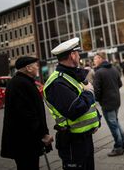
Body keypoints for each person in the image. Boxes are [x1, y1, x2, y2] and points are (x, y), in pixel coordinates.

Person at [43, 37, 101, 170]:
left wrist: (97, 120)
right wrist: (89, 92)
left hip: (85, 137)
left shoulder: (71, 76)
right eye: (77, 53)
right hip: (72, 142)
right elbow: (74, 110)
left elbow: (87, 106)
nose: (79, 56)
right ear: (72, 55)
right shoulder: (57, 83)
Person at [1, 56, 53, 170]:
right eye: (36, 65)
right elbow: (26, 114)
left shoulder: (23, 82)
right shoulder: (20, 84)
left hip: (26, 140)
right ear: (28, 68)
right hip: (24, 141)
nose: (38, 67)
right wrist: (43, 134)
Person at [92, 51, 124, 157]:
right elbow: (120, 84)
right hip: (116, 100)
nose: (94, 61)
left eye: (95, 58)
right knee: (115, 121)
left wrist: (98, 99)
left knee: (113, 125)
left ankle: (118, 147)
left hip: (107, 103)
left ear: (100, 58)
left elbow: (96, 90)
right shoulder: (113, 68)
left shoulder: (98, 72)